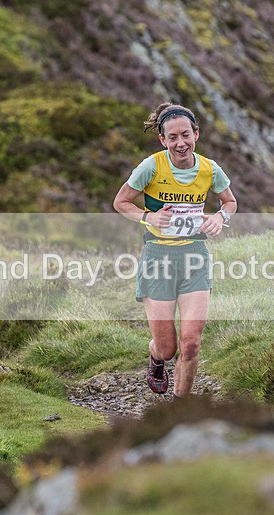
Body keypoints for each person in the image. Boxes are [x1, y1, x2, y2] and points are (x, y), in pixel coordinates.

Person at [113, 102, 238, 397]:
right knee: (168, 348)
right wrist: (148, 217)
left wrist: (220, 218)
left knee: (191, 342)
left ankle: (181, 409)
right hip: (158, 258)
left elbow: (230, 202)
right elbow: (121, 202)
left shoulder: (210, 169)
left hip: (195, 257)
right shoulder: (151, 166)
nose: (180, 143)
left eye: (186, 135)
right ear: (163, 140)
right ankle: (156, 358)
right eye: (172, 138)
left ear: (196, 134)